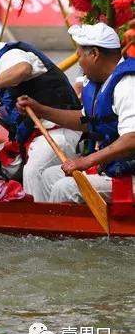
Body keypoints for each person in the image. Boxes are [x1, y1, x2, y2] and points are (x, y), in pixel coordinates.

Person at [17, 23, 134, 205]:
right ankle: (52, 227)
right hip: (114, 167)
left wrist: (86, 161)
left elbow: (131, 139)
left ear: (94, 54)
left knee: (64, 187)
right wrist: (41, 110)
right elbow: (85, 121)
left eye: (79, 55)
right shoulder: (101, 82)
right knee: (48, 175)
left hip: (130, 176)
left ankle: (59, 231)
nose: (78, 62)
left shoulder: (128, 84)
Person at [0, 41, 82, 201]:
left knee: (33, 171)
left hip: (59, 133)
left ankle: (37, 219)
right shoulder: (11, 73)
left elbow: (22, 69)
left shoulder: (9, 55)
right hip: (36, 138)